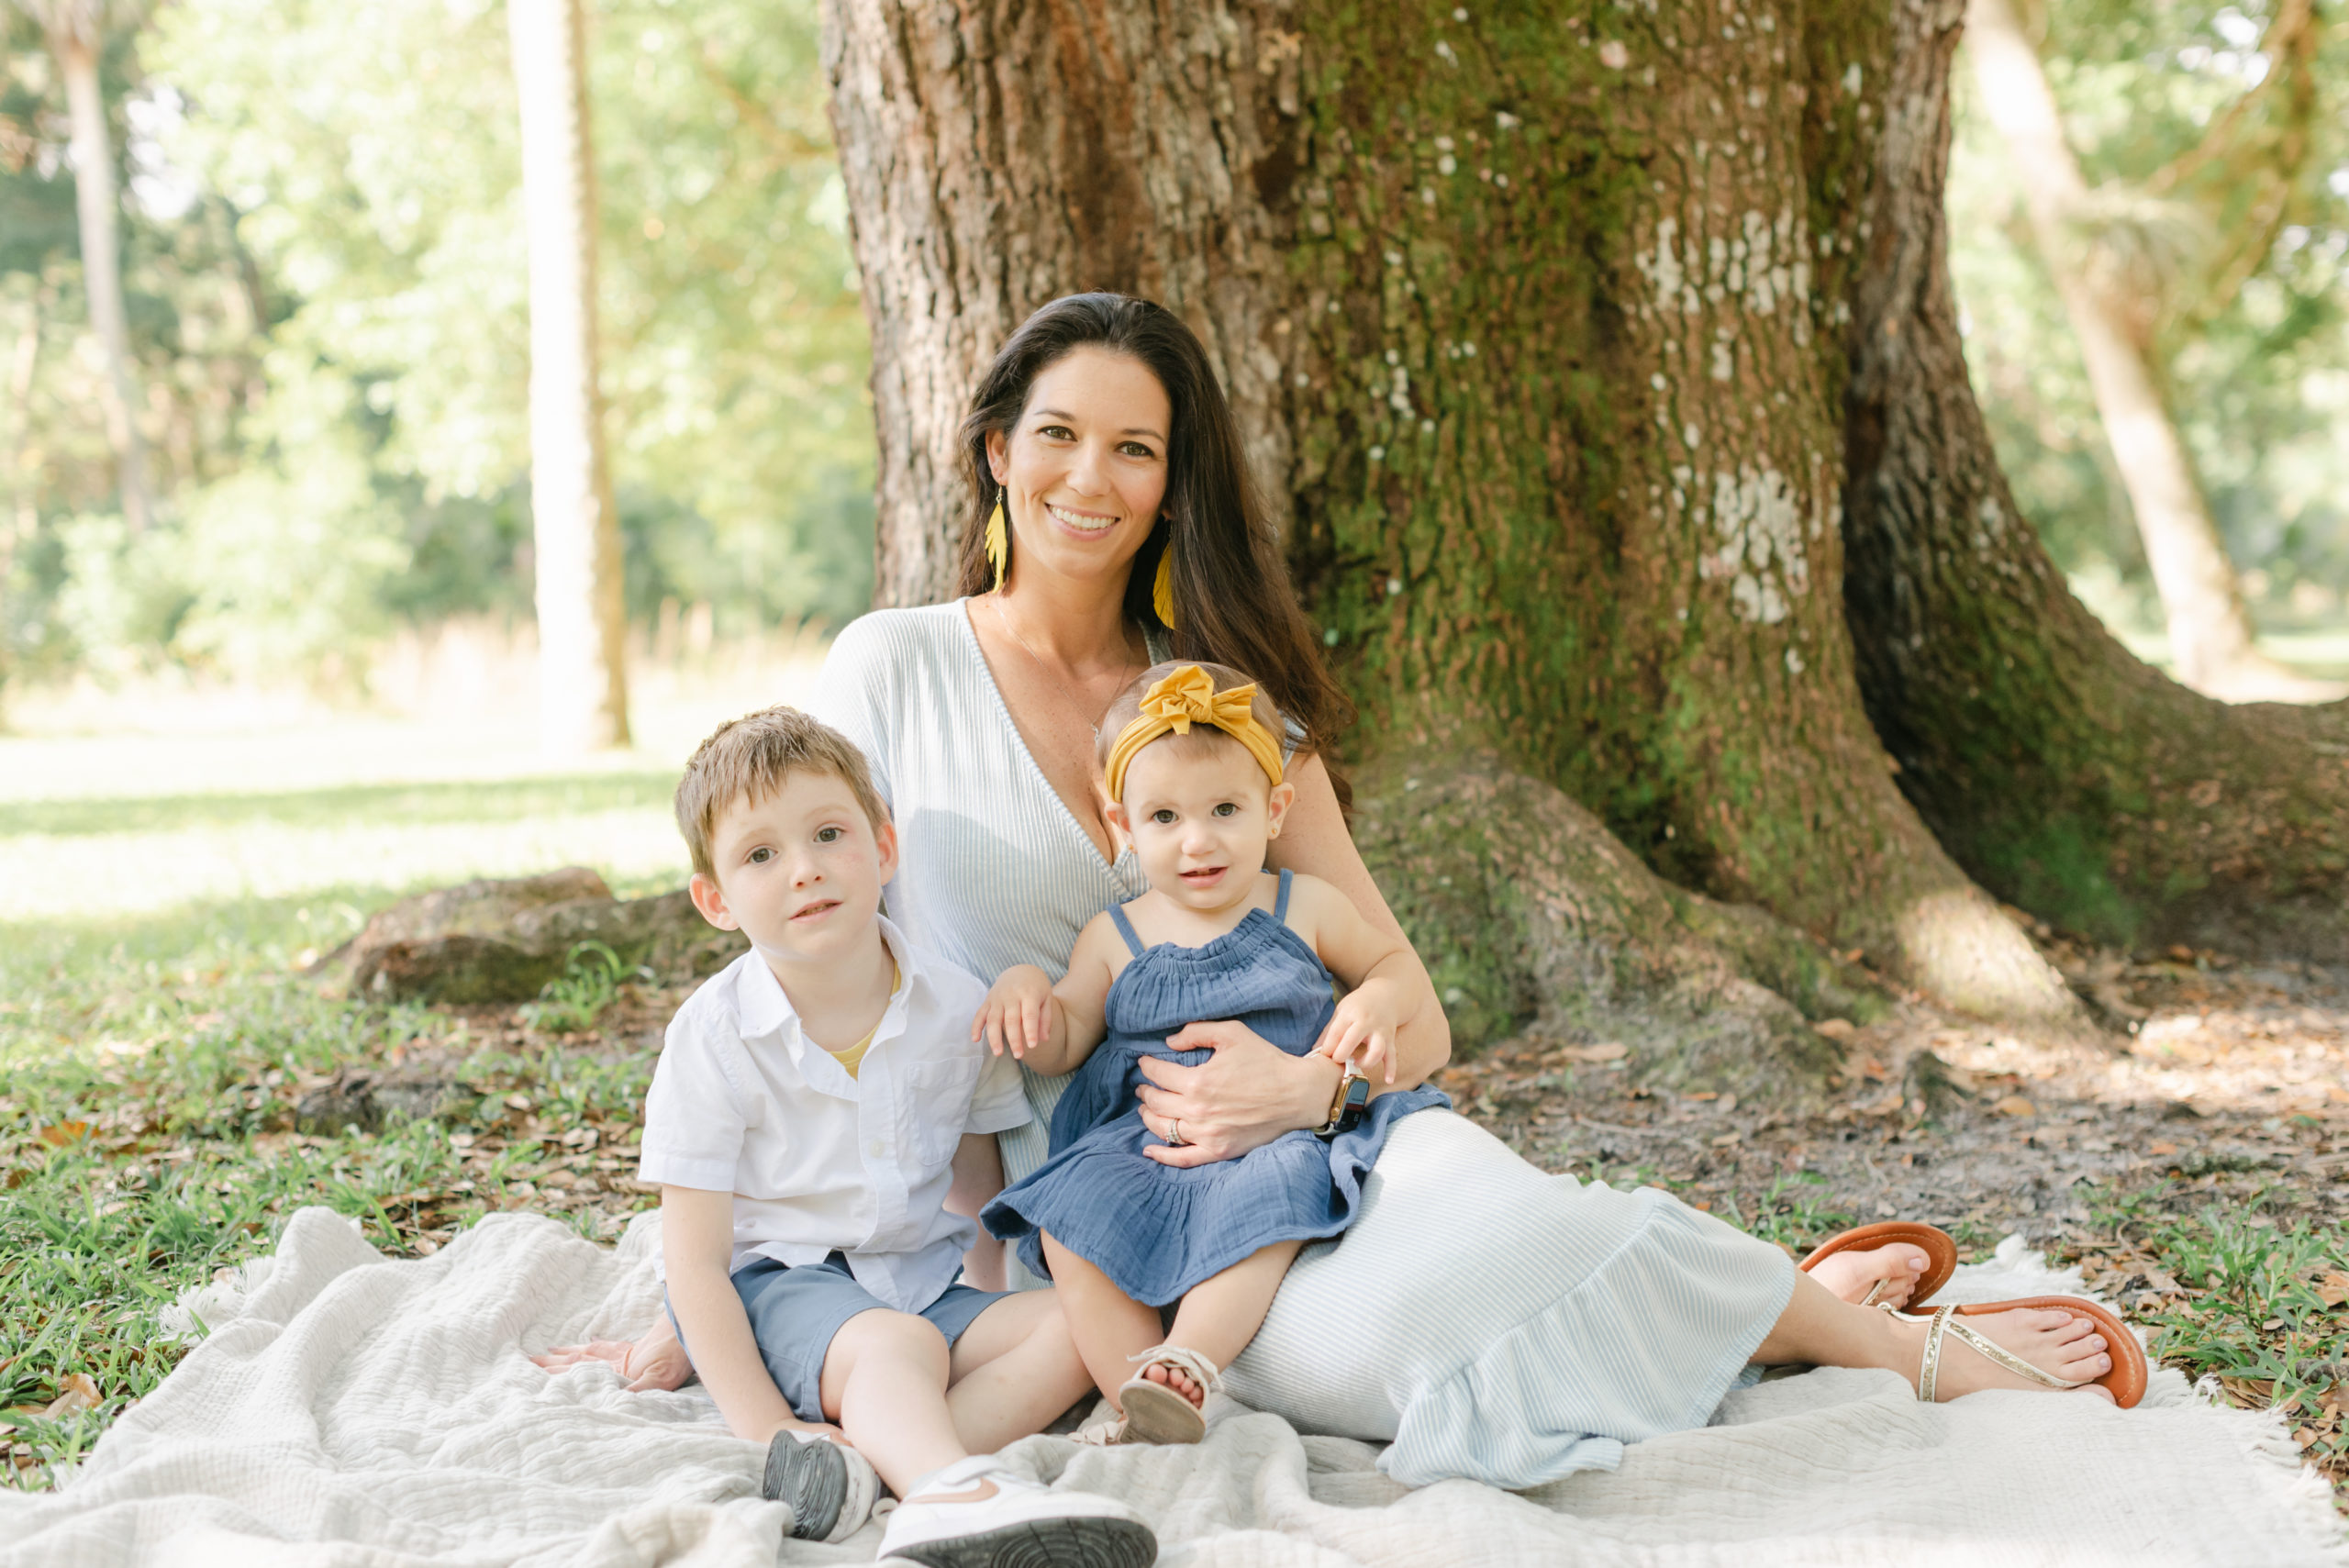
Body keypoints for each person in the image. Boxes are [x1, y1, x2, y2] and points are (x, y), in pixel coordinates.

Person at [547, 292, 2143, 1495]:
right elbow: (806, 965)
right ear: (992, 449)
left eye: (1134, 446)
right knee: (1405, 1364)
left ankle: (1891, 1339)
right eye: (1055, 433)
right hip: (1089, 1210)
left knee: (1502, 1222)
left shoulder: (1221, 714)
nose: (1087, 476)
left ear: (1174, 483)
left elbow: (1412, 999)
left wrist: (1304, 1078)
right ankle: (1777, 1299)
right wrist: (724, 1294)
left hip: (1314, 1140)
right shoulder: (888, 664)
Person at [621, 705, 1154, 1566]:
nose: (805, 870)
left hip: (917, 1281)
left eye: (829, 833)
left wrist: (988, 1300)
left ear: (884, 847)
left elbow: (975, 1180)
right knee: (897, 1346)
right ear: (715, 900)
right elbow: (693, 1263)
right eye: (761, 854)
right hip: (784, 1287)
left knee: (1076, 1323)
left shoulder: (950, 1002)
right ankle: (950, 1492)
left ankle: (867, 1471)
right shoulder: (713, 1035)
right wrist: (774, 1431)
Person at [974, 661, 1449, 1444]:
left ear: (1274, 809)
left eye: (1225, 808)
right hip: (1148, 1148)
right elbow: (1061, 1041)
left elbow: (1397, 968)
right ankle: (1137, 1395)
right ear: (1122, 826)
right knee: (1068, 1218)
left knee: (1273, 1195)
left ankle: (1189, 1358)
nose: (1198, 841)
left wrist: (1375, 997)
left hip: (1282, 1131)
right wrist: (1028, 989)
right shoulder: (1115, 937)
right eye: (1164, 816)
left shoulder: (1304, 904)